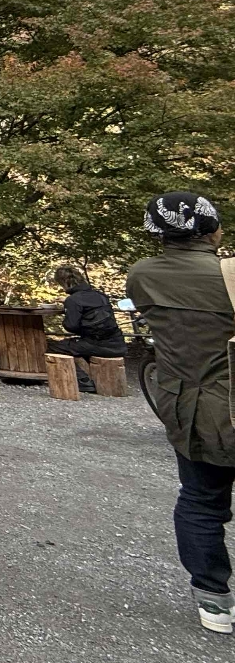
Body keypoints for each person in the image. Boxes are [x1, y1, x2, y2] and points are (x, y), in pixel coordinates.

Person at [126, 191, 235, 634]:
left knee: (201, 499)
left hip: (187, 406)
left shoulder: (142, 275)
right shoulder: (228, 274)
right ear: (211, 229)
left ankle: (213, 599)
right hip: (228, 397)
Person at [46, 264, 126, 395]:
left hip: (96, 344)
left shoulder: (73, 300)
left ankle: (83, 381)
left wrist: (67, 312)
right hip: (118, 343)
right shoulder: (100, 296)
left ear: (64, 283)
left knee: (54, 347)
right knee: (78, 345)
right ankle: (96, 379)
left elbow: (71, 326)